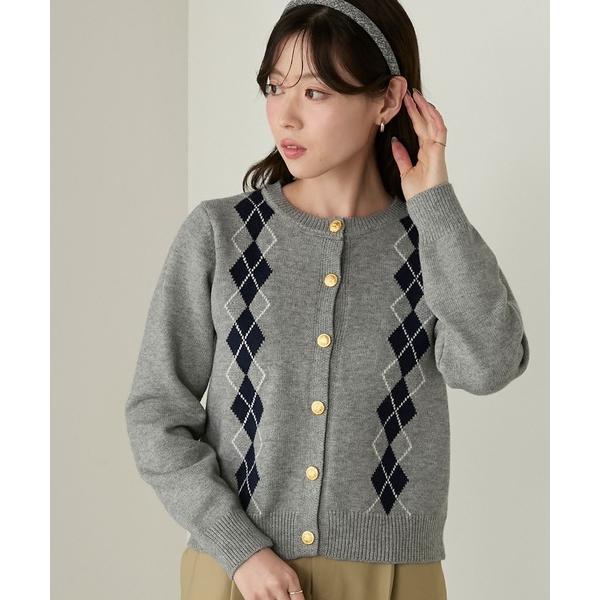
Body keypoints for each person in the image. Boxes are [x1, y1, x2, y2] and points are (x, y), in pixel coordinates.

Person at [125, 1, 530, 599]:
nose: (285, 116)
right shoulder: (220, 234)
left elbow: (490, 365)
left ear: (387, 100)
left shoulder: (431, 242)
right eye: (275, 87)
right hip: (243, 577)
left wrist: (436, 205)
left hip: (395, 577)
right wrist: (239, 547)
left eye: (315, 92)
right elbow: (156, 413)